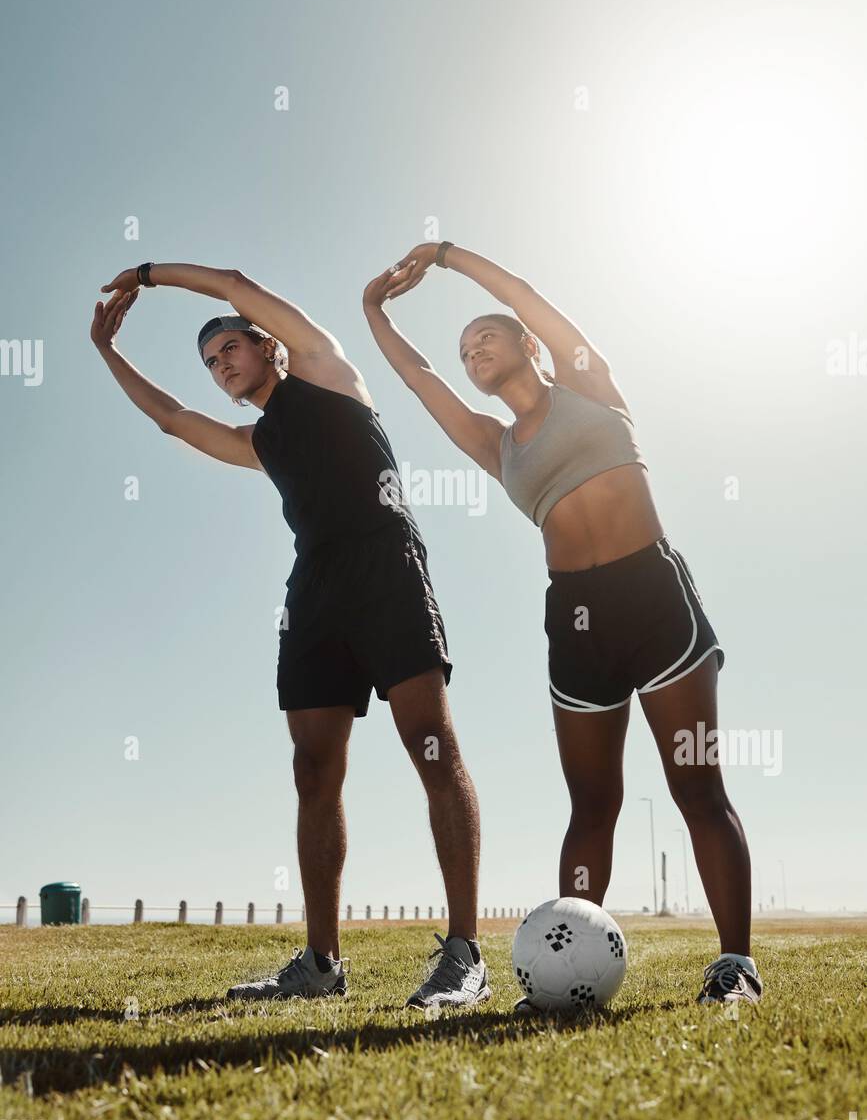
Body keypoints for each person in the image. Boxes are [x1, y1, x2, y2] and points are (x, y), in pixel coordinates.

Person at [363, 241, 763, 1006]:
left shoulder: (588, 384)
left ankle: (733, 965)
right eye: (464, 351)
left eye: (485, 337)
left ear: (528, 344)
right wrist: (373, 309)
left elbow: (522, 291)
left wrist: (445, 256)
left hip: (652, 595)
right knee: (591, 803)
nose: (472, 352)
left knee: (696, 788)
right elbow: (418, 379)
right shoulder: (494, 444)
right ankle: (566, 971)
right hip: (574, 620)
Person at [92, 261, 491, 1010]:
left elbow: (235, 283)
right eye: (210, 362)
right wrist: (105, 350)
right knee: (313, 770)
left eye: (230, 348)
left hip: (386, 567)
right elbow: (172, 419)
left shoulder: (325, 370)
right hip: (315, 590)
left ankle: (465, 954)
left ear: (267, 344)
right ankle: (321, 965)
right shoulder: (260, 441)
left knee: (430, 745)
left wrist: (148, 275)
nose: (221, 365)